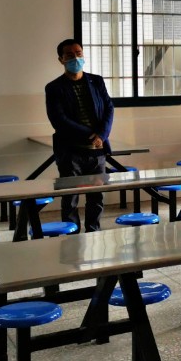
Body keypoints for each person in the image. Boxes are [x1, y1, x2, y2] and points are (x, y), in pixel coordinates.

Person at [44, 39, 114, 233]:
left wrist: (102, 135)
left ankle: (93, 232)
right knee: (70, 198)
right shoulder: (54, 87)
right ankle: (71, 235)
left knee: (96, 197)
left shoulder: (96, 81)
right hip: (70, 151)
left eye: (79, 53)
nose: (75, 58)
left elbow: (109, 108)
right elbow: (59, 120)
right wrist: (92, 135)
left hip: (97, 151)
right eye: (70, 55)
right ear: (61, 59)